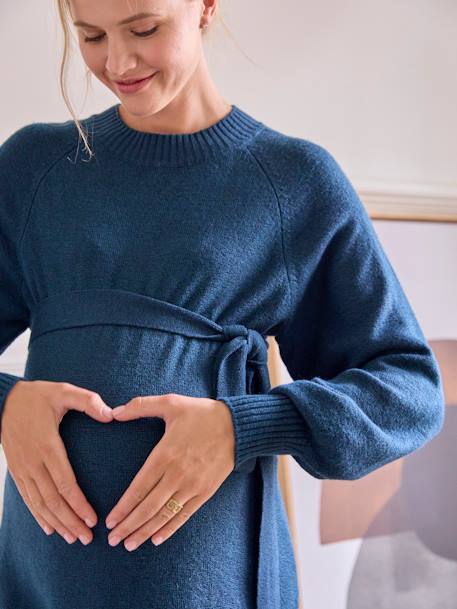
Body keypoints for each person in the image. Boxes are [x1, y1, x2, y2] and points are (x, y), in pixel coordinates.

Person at [0, 0, 445, 608]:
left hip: (218, 589)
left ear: (206, 6)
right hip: (39, 587)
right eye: (91, 36)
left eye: (144, 29)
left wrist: (242, 427)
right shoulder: (33, 171)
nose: (117, 61)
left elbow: (409, 391)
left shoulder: (294, 182)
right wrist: (7, 404)